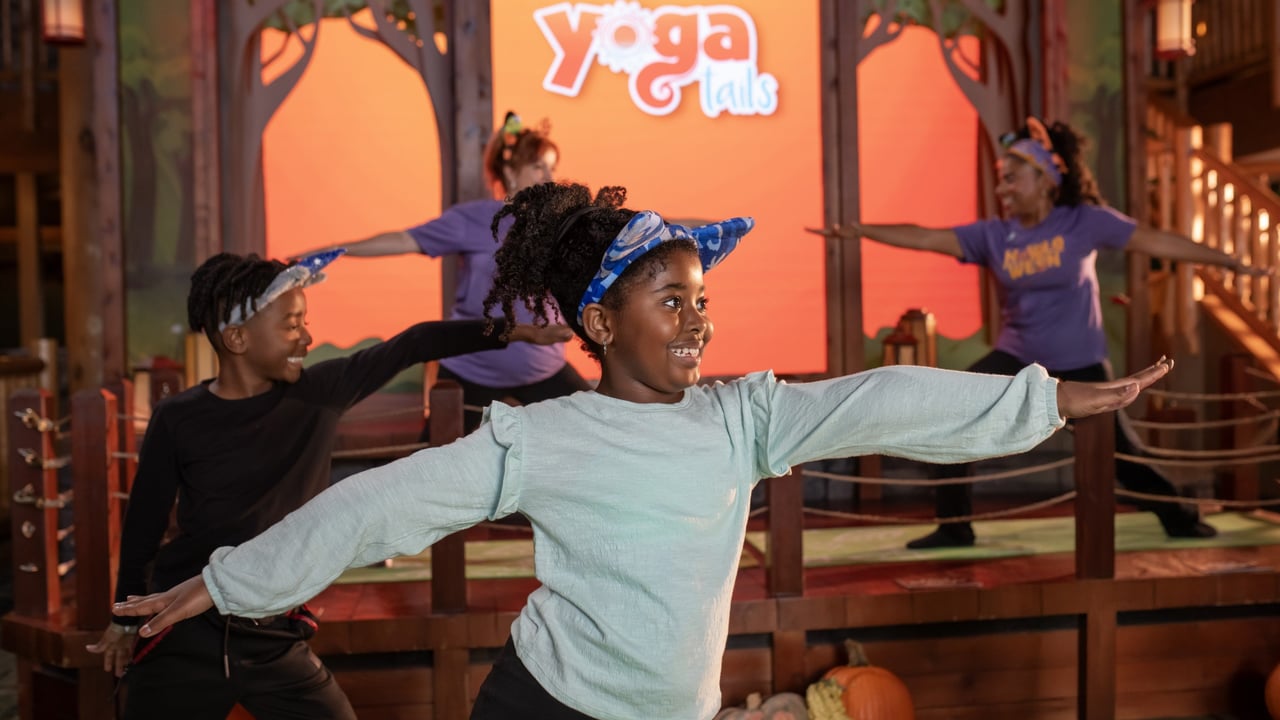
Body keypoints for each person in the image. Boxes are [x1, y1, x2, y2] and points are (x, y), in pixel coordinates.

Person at [114, 182, 1174, 720]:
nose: (698, 323)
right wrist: (220, 582)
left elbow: (874, 399)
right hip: (541, 708)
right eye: (671, 300)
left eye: (701, 300)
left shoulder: (743, 418)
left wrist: (1047, 401)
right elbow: (373, 508)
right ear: (603, 326)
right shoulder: (541, 436)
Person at [87, 250, 569, 719]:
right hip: (183, 630)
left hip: (271, 629)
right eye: (292, 325)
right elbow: (144, 524)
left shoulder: (317, 395)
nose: (307, 337)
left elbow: (415, 342)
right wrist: (124, 620)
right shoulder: (177, 418)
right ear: (237, 338)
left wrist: (519, 331)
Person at [809, 117, 1262, 549]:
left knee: (1123, 455)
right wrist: (860, 230)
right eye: (1001, 179)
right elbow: (926, 237)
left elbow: (1157, 242)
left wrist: (1229, 261)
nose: (1003, 188)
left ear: (1045, 180)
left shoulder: (1084, 221)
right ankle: (954, 528)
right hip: (1018, 357)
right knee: (954, 417)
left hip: (1081, 358)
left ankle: (1181, 519)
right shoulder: (993, 235)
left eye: (1012, 178)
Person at [299, 111, 589, 432]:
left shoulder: (564, 222)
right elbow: (403, 239)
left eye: (553, 167)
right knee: (438, 456)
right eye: (538, 166)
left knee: (600, 430)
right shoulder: (475, 219)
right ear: (509, 172)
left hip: (543, 370)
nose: (549, 176)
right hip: (471, 370)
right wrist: (336, 250)